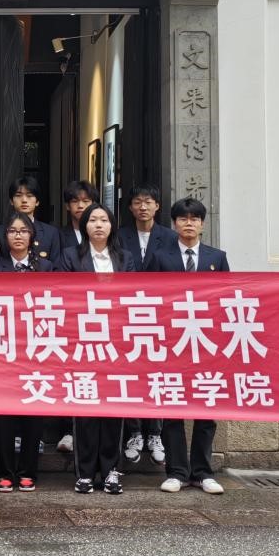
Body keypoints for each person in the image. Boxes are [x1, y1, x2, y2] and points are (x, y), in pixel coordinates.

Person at [145, 197, 229, 496]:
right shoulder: (160, 257)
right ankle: (177, 471)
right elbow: (146, 297)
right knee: (173, 409)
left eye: (194, 218)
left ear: (202, 224)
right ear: (174, 224)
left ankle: (203, 472)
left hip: (206, 343)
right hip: (172, 343)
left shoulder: (217, 258)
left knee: (206, 408)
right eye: (183, 218)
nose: (189, 223)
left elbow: (225, 299)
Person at [62, 203, 134, 495]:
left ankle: (112, 470)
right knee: (86, 407)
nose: (99, 225)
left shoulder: (125, 258)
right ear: (85, 226)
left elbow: (133, 296)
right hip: (83, 339)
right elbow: (64, 295)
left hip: (116, 341)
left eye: (104, 220)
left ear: (112, 225)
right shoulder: (71, 256)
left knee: (114, 406)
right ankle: (86, 472)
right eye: (93, 220)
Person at [0, 211, 55, 492]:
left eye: (23, 231)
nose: (18, 235)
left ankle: (28, 471)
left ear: (32, 236)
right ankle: (5, 471)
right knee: (2, 412)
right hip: (3, 345)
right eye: (13, 231)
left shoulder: (46, 267)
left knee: (33, 409)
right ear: (5, 237)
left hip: (35, 347)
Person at [119, 184, 176, 465]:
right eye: (138, 202)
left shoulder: (170, 236)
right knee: (131, 373)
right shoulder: (120, 235)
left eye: (148, 201)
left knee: (156, 374)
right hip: (127, 314)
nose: (143, 207)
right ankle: (134, 433)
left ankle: (155, 433)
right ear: (130, 207)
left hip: (159, 315)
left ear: (157, 206)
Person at [49, 178, 100, 454]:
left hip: (99, 316)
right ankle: (68, 429)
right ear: (67, 206)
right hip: (69, 314)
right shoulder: (59, 236)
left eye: (86, 201)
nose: (80, 206)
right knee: (68, 372)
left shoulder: (106, 236)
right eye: (75, 201)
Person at [0, 176, 62, 267]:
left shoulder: (51, 233)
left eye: (29, 196)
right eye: (18, 195)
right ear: (11, 201)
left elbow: (56, 269)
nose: (24, 200)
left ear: (37, 201)